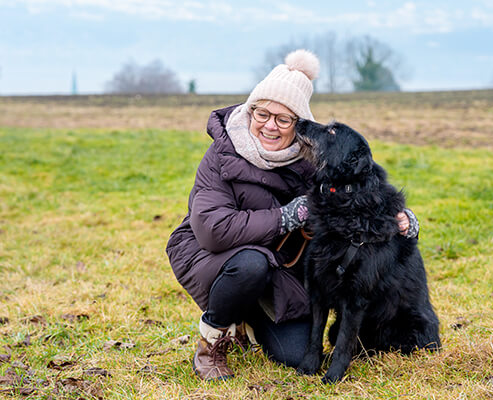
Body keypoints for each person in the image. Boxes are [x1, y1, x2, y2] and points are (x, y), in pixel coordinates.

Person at [165, 49, 420, 381]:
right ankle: (212, 342)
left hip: (278, 269)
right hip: (212, 255)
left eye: (283, 119)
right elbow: (213, 230)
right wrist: (288, 216)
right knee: (251, 264)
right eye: (262, 113)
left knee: (295, 354)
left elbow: (357, 195)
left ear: (297, 125)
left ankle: (249, 321)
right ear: (250, 111)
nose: (270, 125)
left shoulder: (311, 160)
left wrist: (399, 220)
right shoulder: (222, 154)